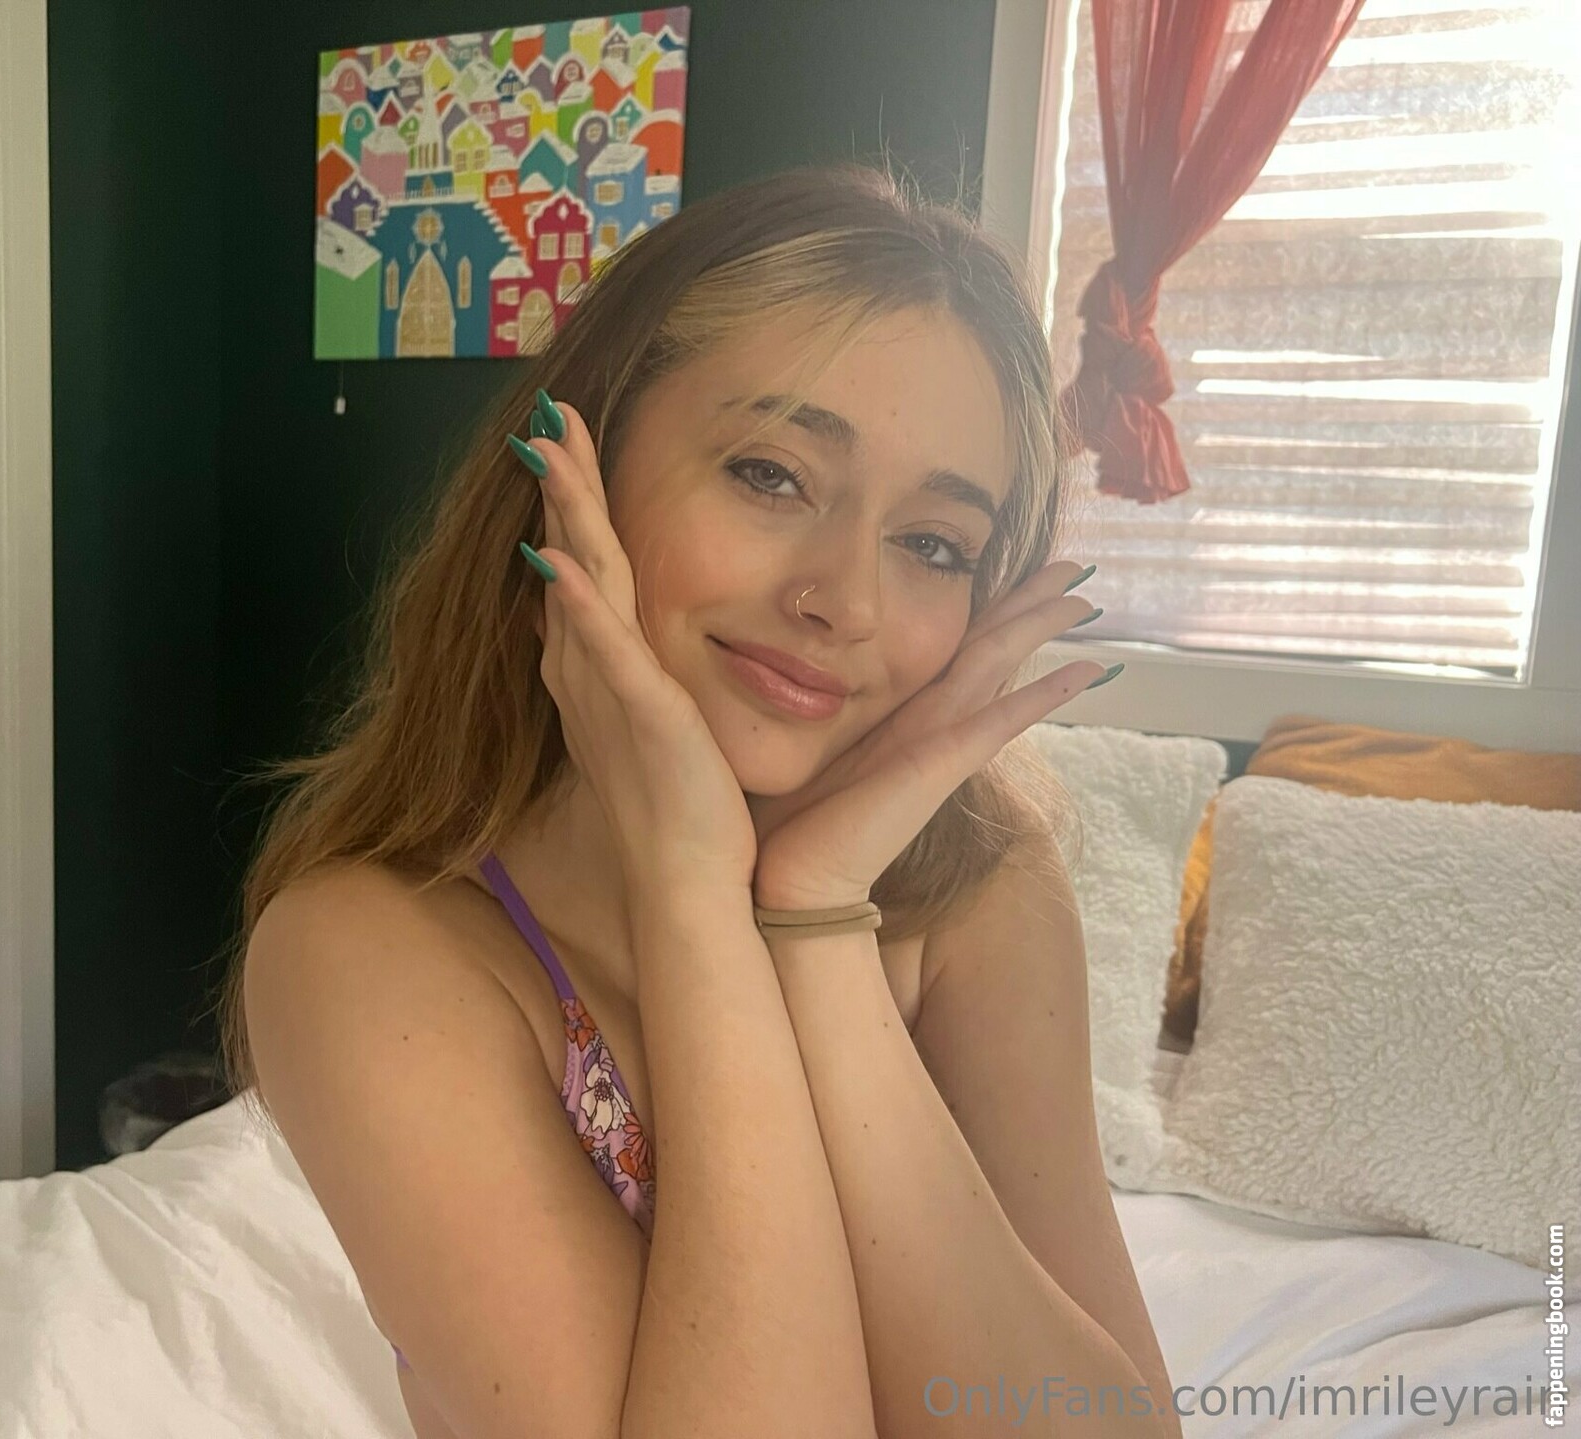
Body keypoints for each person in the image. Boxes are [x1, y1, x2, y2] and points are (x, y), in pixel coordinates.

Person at [216, 160, 1182, 1439]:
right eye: (772, 474)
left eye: (932, 544)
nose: (844, 599)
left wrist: (815, 917)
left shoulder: (982, 890)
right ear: (590, 459)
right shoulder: (370, 951)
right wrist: (693, 892)